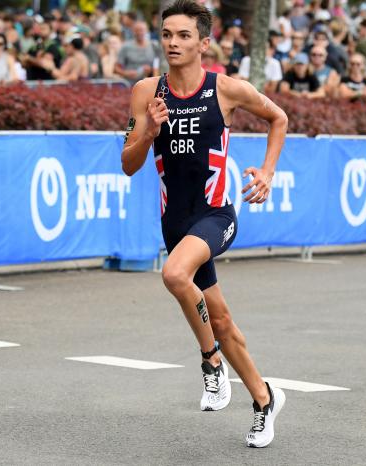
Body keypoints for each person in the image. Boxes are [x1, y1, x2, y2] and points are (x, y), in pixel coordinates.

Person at [120, 0, 288, 448]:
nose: (173, 43)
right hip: (175, 224)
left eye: (184, 36)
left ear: (204, 43)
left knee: (174, 274)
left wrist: (267, 172)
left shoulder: (227, 90)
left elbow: (278, 118)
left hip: (215, 217)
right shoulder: (145, 92)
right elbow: (128, 164)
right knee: (223, 319)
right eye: (167, 34)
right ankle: (264, 399)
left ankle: (211, 363)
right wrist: (150, 133)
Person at [115, 20, 158, 85]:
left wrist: (150, 70)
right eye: (137, 30)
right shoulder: (126, 46)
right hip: (129, 85)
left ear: (147, 31)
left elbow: (158, 66)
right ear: (133, 31)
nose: (139, 33)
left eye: (142, 30)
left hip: (148, 85)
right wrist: (126, 73)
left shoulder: (154, 46)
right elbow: (115, 68)